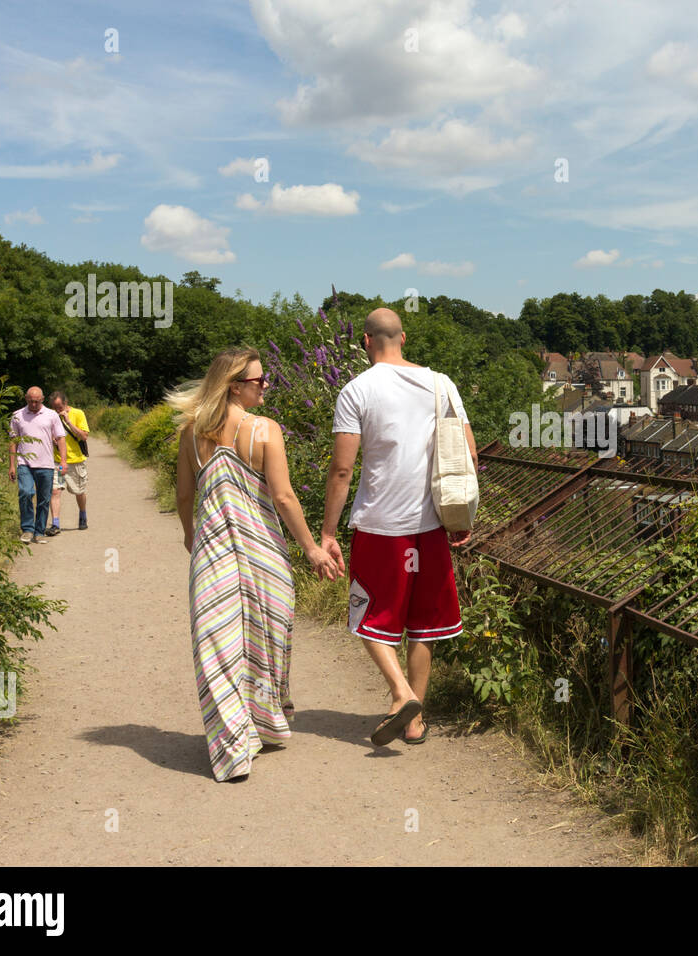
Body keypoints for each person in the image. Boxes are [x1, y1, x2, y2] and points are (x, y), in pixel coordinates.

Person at [169, 347, 341, 782]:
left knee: (217, 644)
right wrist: (312, 548)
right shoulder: (264, 430)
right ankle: (261, 724)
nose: (267, 385)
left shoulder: (190, 434)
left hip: (212, 552)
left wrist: (192, 535)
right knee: (267, 639)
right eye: (259, 381)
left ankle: (233, 743)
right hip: (265, 552)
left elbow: (185, 496)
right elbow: (283, 497)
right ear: (234, 386)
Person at [321, 307, 477, 748]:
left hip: (379, 525)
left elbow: (342, 469)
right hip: (430, 525)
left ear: (366, 342)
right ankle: (414, 721)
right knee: (424, 623)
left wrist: (328, 533)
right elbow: (467, 452)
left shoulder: (356, 390)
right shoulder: (441, 384)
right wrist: (461, 516)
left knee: (366, 615)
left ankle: (400, 693)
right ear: (403, 338)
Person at [8, 387, 66, 545]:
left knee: (44, 499)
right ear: (26, 399)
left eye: (37, 401)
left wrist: (63, 462)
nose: (33, 404)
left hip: (46, 463)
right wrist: (12, 465)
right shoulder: (17, 415)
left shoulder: (51, 415)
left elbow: (60, 438)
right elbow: (13, 440)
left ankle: (39, 531)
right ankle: (27, 529)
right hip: (24, 463)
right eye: (30, 401)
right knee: (26, 492)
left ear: (42, 399)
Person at [46, 391, 90, 534]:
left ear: (65, 403)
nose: (57, 410)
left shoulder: (78, 413)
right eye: (54, 407)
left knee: (79, 491)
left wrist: (68, 421)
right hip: (58, 462)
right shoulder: (51, 416)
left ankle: (83, 515)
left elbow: (84, 436)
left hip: (76, 461)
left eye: (59, 406)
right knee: (55, 491)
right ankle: (55, 524)